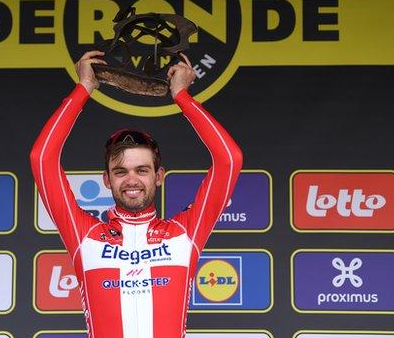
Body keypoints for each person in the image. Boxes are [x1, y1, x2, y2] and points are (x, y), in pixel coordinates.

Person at [30, 50, 243, 338]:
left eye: (142, 170)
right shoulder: (83, 234)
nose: (132, 180)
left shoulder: (186, 232)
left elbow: (229, 159)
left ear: (159, 176)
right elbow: (42, 157)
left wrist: (182, 95)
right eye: (121, 172)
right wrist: (84, 88)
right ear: (107, 180)